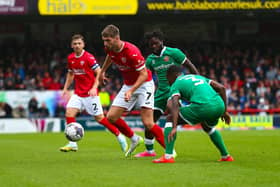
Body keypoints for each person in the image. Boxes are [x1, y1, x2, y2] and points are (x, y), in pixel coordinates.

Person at [99, 24, 165, 157]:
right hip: (129, 85)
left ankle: (169, 151)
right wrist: (102, 70)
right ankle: (134, 138)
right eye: (104, 40)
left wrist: (131, 90)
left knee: (148, 122)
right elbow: (110, 56)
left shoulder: (131, 51)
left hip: (144, 84)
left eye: (108, 40)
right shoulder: (109, 48)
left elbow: (144, 74)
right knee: (111, 117)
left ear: (117, 38)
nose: (105, 44)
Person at [135, 30, 199, 157]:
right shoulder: (150, 59)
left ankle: (170, 151)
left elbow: (190, 66)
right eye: (151, 45)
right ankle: (149, 151)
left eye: (156, 43)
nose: (153, 46)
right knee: (149, 121)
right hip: (160, 94)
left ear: (161, 41)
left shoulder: (174, 52)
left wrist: (198, 82)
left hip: (174, 91)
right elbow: (145, 76)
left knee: (173, 118)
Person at [59, 34, 127, 152]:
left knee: (100, 119)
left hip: (91, 95)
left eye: (79, 43)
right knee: (69, 113)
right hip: (78, 94)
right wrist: (65, 88)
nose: (77, 46)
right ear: (71, 45)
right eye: (75, 44)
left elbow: (99, 71)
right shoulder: (70, 58)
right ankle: (73, 144)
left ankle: (119, 136)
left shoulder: (88, 57)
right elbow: (70, 74)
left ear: (83, 45)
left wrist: (95, 87)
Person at [153, 65, 234, 163]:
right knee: (207, 126)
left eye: (167, 79)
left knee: (170, 118)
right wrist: (224, 111)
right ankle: (226, 155)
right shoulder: (198, 77)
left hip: (203, 107)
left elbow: (174, 104)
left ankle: (168, 156)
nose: (168, 82)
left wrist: (174, 126)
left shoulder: (176, 83)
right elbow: (221, 88)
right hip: (219, 105)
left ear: (172, 76)